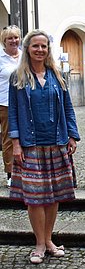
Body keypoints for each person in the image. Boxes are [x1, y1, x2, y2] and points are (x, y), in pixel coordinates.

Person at [8, 30, 80, 264]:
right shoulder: (17, 77)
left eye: (44, 46)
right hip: (30, 145)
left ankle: (49, 240)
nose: (40, 50)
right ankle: (39, 243)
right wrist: (16, 143)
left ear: (48, 50)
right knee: (35, 197)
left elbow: (68, 107)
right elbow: (13, 112)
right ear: (27, 48)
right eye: (35, 46)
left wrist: (72, 135)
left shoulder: (57, 75)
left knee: (53, 195)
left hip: (57, 141)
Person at [0, 25, 21, 187]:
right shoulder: (0, 58)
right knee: (9, 138)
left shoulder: (24, 56)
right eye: (10, 38)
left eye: (16, 37)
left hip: (24, 103)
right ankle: (10, 173)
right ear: (4, 41)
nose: (13, 41)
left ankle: (25, 170)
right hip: (5, 103)